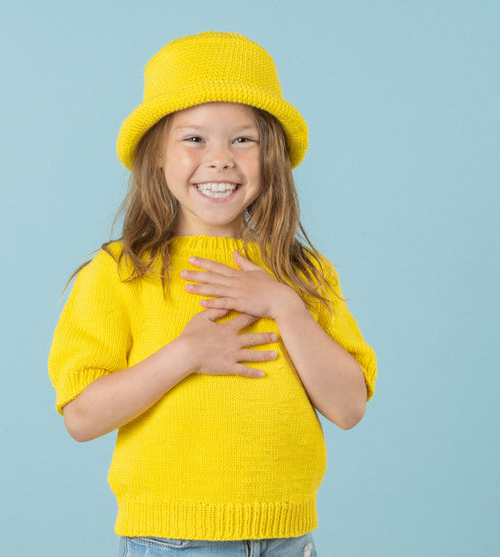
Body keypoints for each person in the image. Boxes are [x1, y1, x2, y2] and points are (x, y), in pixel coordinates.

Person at [49, 31, 377, 557]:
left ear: (271, 156)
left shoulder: (303, 273)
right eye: (195, 139)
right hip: (173, 540)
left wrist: (283, 305)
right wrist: (187, 354)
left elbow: (348, 407)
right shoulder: (120, 272)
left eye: (243, 140)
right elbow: (82, 418)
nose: (221, 158)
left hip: (288, 539)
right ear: (156, 154)